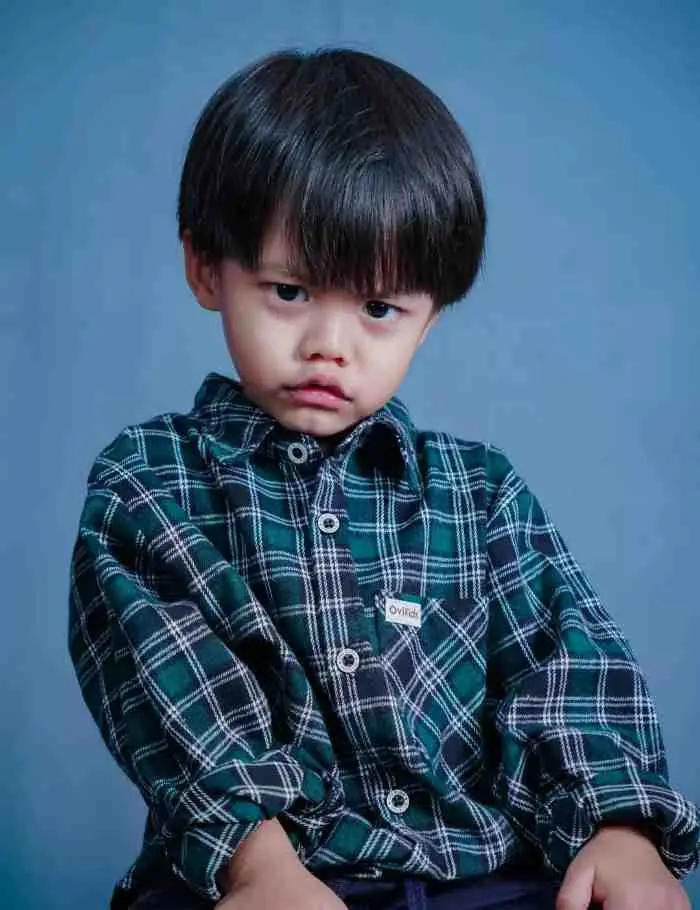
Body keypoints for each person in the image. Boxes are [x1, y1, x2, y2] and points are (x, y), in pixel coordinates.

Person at [68, 48, 698, 910]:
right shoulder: (152, 485)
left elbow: (569, 662)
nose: (331, 345)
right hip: (252, 868)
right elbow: (172, 692)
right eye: (290, 291)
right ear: (207, 267)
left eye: (378, 309)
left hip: (477, 876)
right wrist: (258, 865)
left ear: (428, 317)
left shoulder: (481, 495)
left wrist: (619, 828)